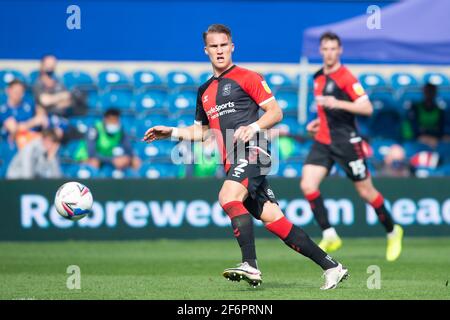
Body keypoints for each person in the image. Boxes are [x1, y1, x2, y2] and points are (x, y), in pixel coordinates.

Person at [143, 24, 348, 290]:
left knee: (227, 197)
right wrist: (170, 132)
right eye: (214, 46)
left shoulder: (248, 77)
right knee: (275, 220)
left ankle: (249, 263)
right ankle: (332, 266)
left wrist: (253, 127)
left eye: (224, 45)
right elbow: (202, 130)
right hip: (233, 160)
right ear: (206, 50)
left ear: (232, 47)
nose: (219, 50)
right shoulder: (204, 91)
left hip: (254, 151)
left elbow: (275, 113)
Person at [300, 32, 403, 261]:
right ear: (320, 51)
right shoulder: (317, 77)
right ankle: (329, 234)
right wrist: (316, 124)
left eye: (333, 49)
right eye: (325, 48)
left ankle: (393, 231)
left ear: (340, 51)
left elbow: (366, 108)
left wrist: (339, 103)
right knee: (308, 184)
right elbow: (324, 111)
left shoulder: (346, 77)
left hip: (346, 142)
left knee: (366, 192)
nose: (329, 53)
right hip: (323, 141)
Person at [0, 79, 47, 144]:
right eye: (16, 91)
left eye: (21, 91)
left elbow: (40, 112)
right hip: (18, 142)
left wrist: (40, 116)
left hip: (34, 137)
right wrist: (34, 122)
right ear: (9, 91)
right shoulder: (4, 110)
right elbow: (13, 129)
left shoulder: (27, 102)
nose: (18, 94)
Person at [402, 83, 445, 148]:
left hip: (435, 141)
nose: (430, 94)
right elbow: (413, 128)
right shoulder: (415, 108)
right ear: (424, 92)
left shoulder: (440, 110)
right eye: (428, 91)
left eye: (432, 91)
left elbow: (441, 129)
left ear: (435, 93)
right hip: (417, 141)